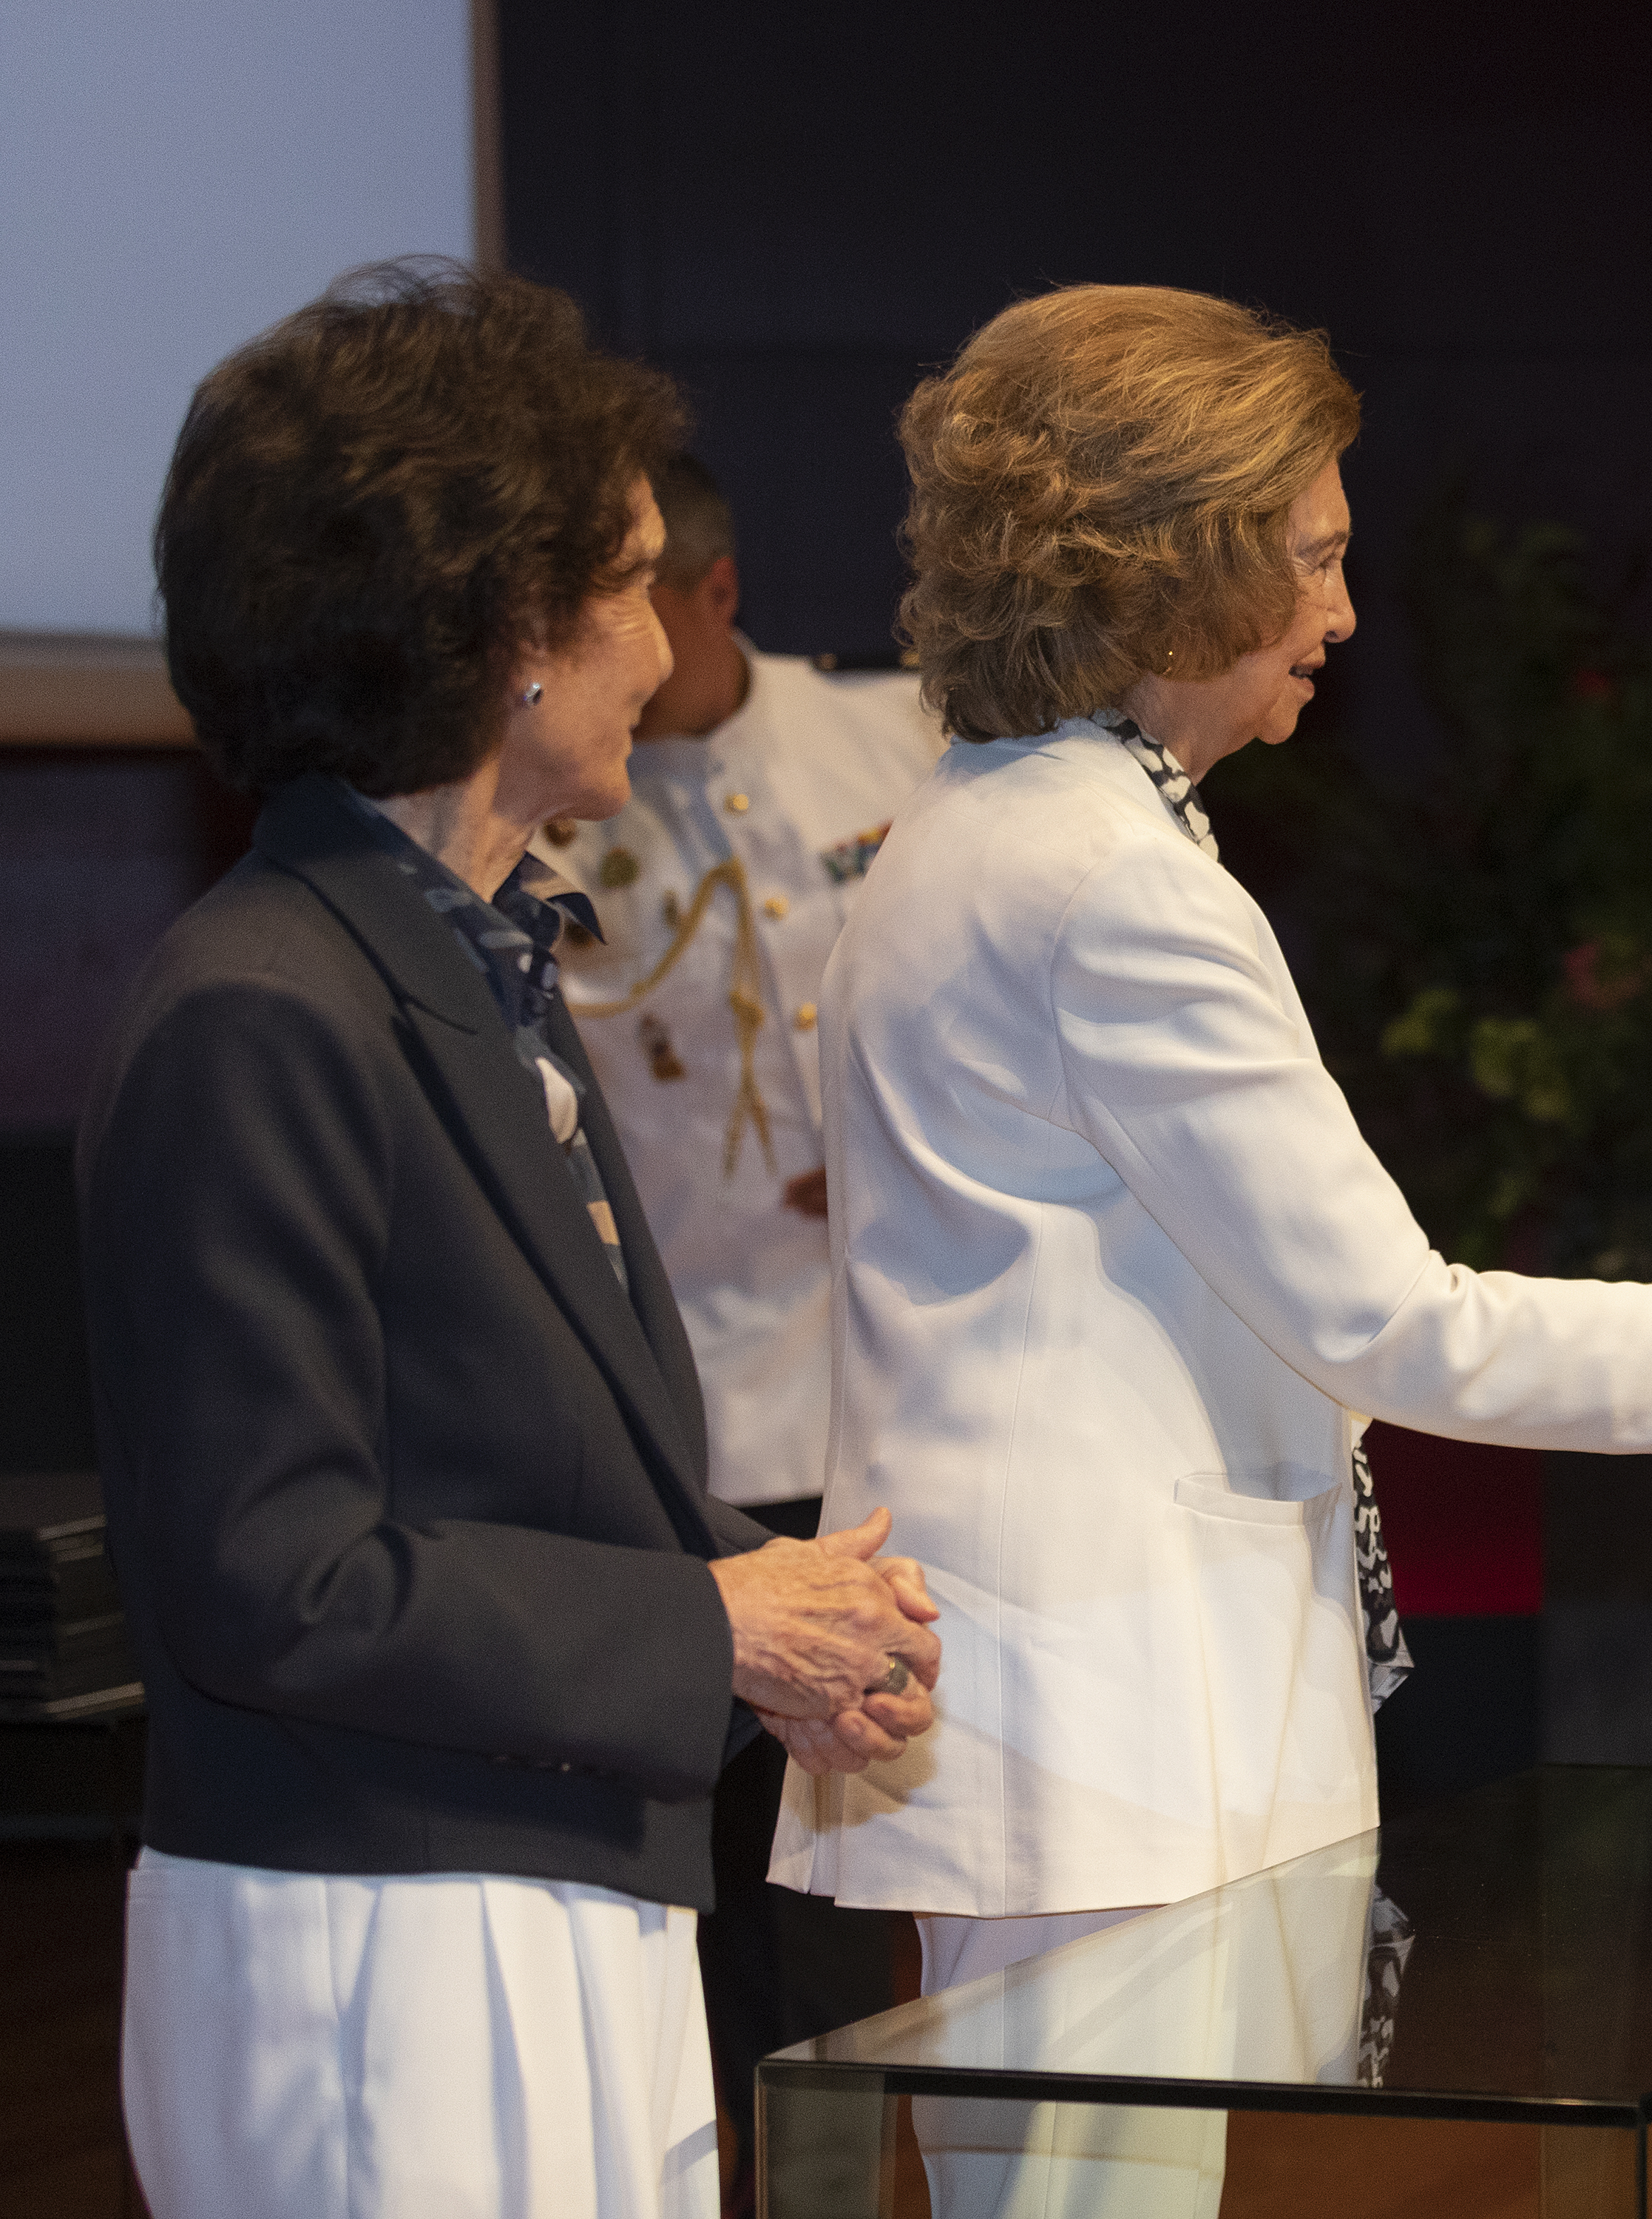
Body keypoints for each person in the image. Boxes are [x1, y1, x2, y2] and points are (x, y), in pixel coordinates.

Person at [763, 283, 1652, 2212]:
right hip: (1100, 1736)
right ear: (1173, 569)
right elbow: (1393, 1324)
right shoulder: (1110, 883)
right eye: (1316, 559)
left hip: (1056, 1732)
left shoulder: (998, 828)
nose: (1343, 614)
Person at [80, 260, 944, 2219]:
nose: (663, 645)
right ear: (506, 635)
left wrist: (769, 1607)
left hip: (540, 1902)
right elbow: (268, 1576)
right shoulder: (261, 1007)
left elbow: (513, 1475)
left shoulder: (473, 972)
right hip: (385, 1943)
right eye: (628, 585)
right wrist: (712, 1623)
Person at [537, 450, 943, 2200]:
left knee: (842, 1912)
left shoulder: (896, 743)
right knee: (681, 1901)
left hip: (864, 1418)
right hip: (667, 1427)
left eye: (652, 603)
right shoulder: (546, 805)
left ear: (715, 594)